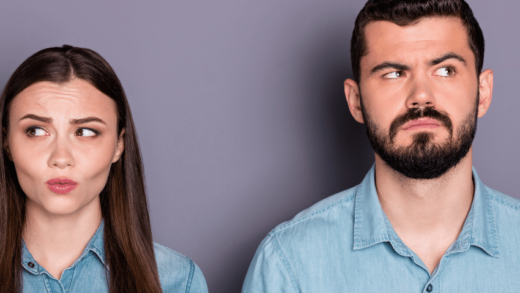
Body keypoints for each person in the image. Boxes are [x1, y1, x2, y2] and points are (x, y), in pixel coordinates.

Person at [242, 0, 520, 292]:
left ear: (483, 92)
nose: (421, 96)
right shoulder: (289, 264)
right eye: (394, 74)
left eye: (445, 70)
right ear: (355, 101)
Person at [0, 45, 208, 293]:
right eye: (36, 131)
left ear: (119, 145)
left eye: (86, 132)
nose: (61, 158)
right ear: (7, 143)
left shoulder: (177, 281)